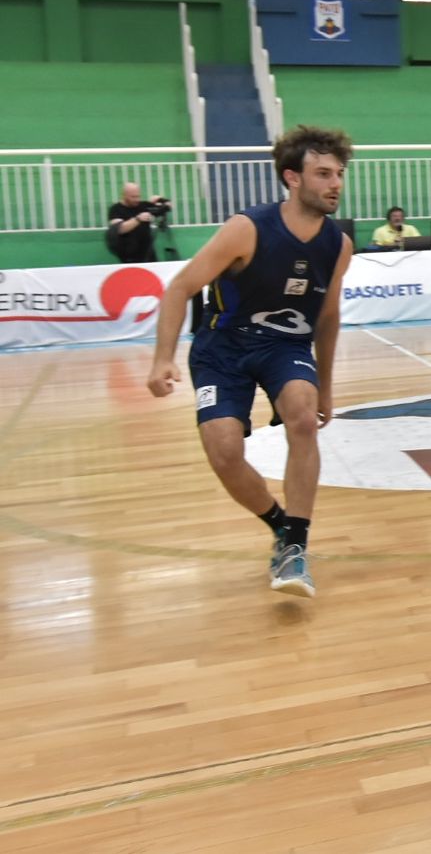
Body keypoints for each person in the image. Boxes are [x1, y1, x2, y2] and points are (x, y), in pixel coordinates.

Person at [145, 126, 354, 598]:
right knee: (223, 452)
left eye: (339, 173)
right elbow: (179, 287)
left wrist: (327, 383)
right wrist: (162, 359)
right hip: (223, 348)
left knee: (302, 415)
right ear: (292, 178)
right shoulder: (248, 228)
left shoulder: (338, 245)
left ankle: (296, 546)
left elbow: (329, 316)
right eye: (323, 173)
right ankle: (279, 525)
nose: (335, 183)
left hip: (286, 348)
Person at [106, 181, 169, 263]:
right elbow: (119, 229)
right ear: (124, 195)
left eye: (138, 196)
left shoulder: (144, 206)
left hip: (148, 254)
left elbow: (168, 206)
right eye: (133, 197)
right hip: (128, 255)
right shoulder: (115, 209)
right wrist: (138, 219)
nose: (137, 199)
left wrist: (161, 200)